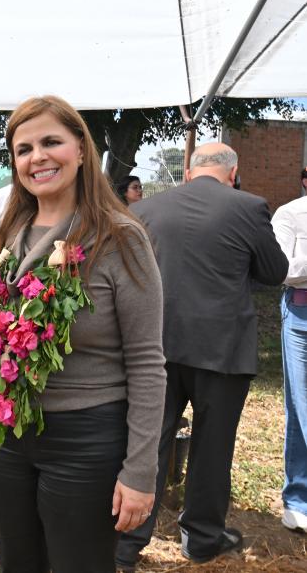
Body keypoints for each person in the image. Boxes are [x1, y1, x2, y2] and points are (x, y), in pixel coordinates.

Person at [0, 95, 166, 573]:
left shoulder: (119, 237)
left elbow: (148, 363)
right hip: (5, 434)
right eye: (24, 149)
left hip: (86, 439)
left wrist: (140, 471)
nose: (38, 157)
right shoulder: (13, 230)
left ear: (80, 149)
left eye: (51, 141)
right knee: (17, 563)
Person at [116, 142, 289, 570]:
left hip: (155, 346)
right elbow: (274, 271)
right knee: (213, 446)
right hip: (222, 348)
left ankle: (127, 541)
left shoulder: (145, 209)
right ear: (234, 172)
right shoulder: (249, 206)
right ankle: (203, 536)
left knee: (147, 441)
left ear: (190, 173)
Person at [272, 177, 307, 533]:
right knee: (300, 405)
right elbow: (281, 270)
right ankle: (298, 500)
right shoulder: (291, 214)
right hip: (301, 316)